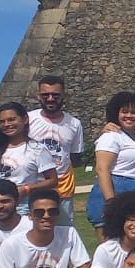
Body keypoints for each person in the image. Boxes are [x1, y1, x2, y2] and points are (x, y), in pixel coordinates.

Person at [86, 92, 135, 234]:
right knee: (113, 244)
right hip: (116, 191)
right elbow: (102, 169)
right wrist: (111, 202)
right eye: (124, 112)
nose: (129, 116)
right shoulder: (111, 137)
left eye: (134, 112)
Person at [0, 102, 57, 221]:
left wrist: (26, 189)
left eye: (11, 119)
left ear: (25, 119)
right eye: (2, 121)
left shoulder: (37, 149)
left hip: (20, 204)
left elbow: (52, 180)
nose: (7, 124)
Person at [28, 75, 84, 224]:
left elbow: (74, 156)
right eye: (45, 95)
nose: (50, 99)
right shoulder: (28, 120)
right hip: (33, 184)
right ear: (38, 95)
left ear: (64, 96)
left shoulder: (74, 124)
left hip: (61, 189)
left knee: (63, 232)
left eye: (56, 95)